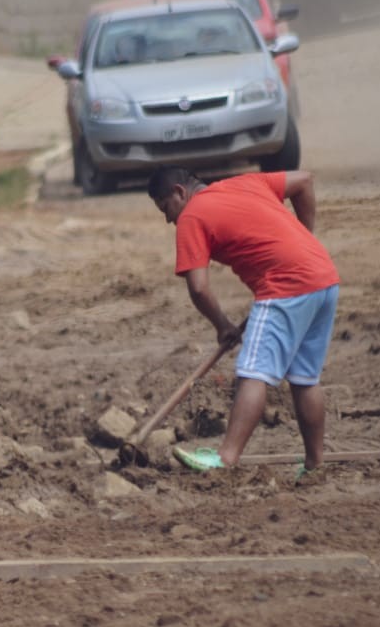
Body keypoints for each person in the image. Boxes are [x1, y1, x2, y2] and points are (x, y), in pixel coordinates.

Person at [145, 166, 340, 477]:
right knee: (304, 377)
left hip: (284, 287)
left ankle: (225, 458)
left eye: (166, 208)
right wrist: (304, 238)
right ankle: (315, 465)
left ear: (180, 193)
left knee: (253, 372)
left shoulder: (192, 216)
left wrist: (222, 325)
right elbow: (304, 180)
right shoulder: (245, 183)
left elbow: (198, 287)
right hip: (324, 279)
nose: (169, 219)